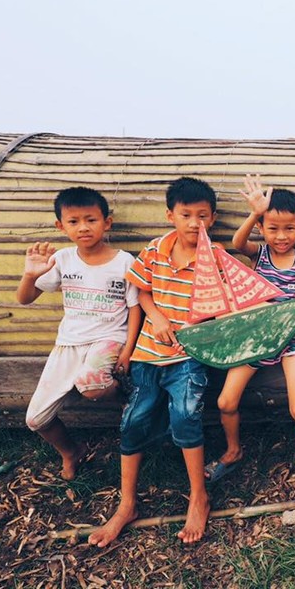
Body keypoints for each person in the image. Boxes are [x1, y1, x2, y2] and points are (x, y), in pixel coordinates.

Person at [89, 177, 218, 547]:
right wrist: (157, 317)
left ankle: (199, 497)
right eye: (186, 215)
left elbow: (223, 305)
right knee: (134, 420)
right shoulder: (156, 249)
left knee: (186, 416)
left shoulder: (214, 257)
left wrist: (199, 326)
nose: (194, 223)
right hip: (148, 351)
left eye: (202, 216)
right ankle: (126, 503)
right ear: (170, 215)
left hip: (189, 354)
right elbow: (142, 289)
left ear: (212, 218)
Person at [205, 176, 295, 501]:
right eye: (272, 228)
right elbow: (237, 242)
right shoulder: (259, 255)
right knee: (225, 402)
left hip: (294, 339)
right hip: (258, 338)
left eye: (289, 229)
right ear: (262, 228)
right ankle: (233, 451)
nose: (281, 236)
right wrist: (255, 212)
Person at [17, 187, 141, 481]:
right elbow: (24, 298)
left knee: (91, 385)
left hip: (109, 338)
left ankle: (127, 395)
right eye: (73, 221)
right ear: (61, 226)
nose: (83, 227)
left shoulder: (124, 261)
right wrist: (30, 275)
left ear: (106, 223)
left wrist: (128, 350)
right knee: (35, 419)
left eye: (91, 220)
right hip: (69, 344)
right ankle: (71, 451)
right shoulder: (63, 259)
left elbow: (135, 307)